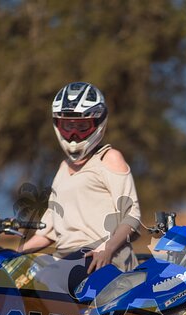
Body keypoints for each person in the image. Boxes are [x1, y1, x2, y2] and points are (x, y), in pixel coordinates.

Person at [21, 82, 141, 289]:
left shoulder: (109, 158)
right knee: (14, 281)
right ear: (58, 125)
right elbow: (47, 232)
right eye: (68, 126)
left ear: (98, 123)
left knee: (45, 281)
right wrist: (10, 254)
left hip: (100, 256)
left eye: (82, 126)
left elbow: (132, 215)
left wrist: (108, 249)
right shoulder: (62, 168)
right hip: (65, 259)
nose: (74, 134)